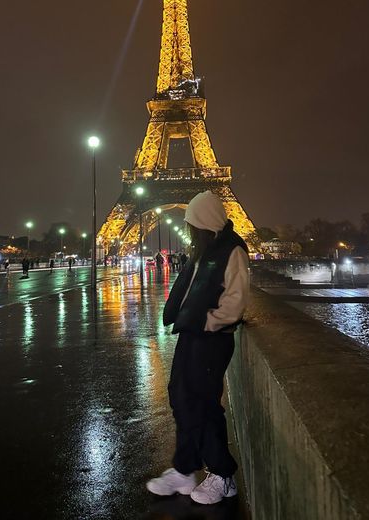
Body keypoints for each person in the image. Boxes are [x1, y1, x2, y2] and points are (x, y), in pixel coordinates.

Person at [146, 191, 250, 505]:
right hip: (192, 334)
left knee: (203, 404)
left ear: (203, 222)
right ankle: (185, 468)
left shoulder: (232, 251)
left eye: (192, 222)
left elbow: (235, 301)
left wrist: (207, 322)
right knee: (181, 396)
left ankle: (223, 475)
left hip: (212, 337)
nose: (189, 228)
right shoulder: (203, 251)